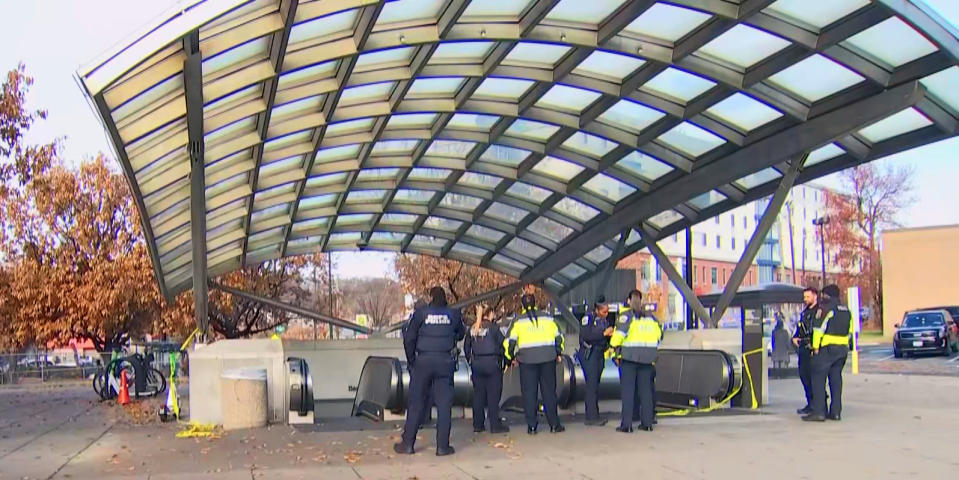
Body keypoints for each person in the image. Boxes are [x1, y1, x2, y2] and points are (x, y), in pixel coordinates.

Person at [394, 287, 465, 456]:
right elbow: (461, 334)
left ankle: (408, 444)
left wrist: (412, 361)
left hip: (423, 362)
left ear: (431, 298)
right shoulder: (453, 314)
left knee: (416, 403)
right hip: (445, 362)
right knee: (444, 405)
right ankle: (442, 447)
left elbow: (409, 338)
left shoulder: (421, 314)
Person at [504, 284, 565, 435]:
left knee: (529, 394)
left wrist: (510, 358)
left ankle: (532, 427)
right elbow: (559, 338)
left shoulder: (518, 321)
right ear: (536, 303)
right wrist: (557, 352)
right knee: (549, 393)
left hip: (527, 362)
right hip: (548, 359)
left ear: (522, 306)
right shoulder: (547, 318)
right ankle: (554, 425)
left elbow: (508, 343)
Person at [610, 290, 662, 433]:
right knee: (646, 392)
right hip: (647, 360)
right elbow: (659, 335)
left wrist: (612, 347)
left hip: (629, 359)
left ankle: (626, 425)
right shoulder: (651, 318)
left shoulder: (626, 317)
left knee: (628, 391)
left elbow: (618, 336)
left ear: (629, 300)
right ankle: (647, 423)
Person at [803, 284, 851, 423]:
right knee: (836, 380)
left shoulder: (824, 309)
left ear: (827, 295)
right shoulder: (846, 310)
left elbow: (818, 329)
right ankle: (836, 412)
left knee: (818, 379)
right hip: (842, 349)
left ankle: (819, 412)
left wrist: (815, 348)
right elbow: (851, 329)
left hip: (826, 349)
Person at [464, 304, 509, 434]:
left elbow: (467, 348)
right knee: (493, 396)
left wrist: (471, 361)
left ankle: (478, 425)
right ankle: (495, 425)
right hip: (492, 364)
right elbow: (504, 344)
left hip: (477, 364)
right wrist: (505, 361)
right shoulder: (494, 328)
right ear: (488, 314)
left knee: (478, 395)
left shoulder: (472, 329)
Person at [578, 296, 614, 426]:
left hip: (599, 353)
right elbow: (586, 335)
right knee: (591, 384)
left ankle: (594, 413)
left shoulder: (605, 320)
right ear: (597, 310)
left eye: (607, 311)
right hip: (589, 353)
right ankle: (591, 417)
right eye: (604, 311)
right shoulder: (588, 318)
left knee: (595, 384)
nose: (607, 314)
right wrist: (604, 334)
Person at [403, 298, 433, 428]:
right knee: (427, 392)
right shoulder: (426, 323)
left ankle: (416, 421)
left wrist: (411, 360)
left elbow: (408, 342)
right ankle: (425, 419)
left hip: (416, 361)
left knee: (416, 394)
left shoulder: (408, 324)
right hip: (425, 360)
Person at [793, 288, 819, 415]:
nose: (805, 300)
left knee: (813, 377)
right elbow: (801, 327)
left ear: (815, 296)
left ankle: (817, 404)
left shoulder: (819, 311)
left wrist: (815, 346)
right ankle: (810, 403)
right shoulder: (805, 312)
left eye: (808, 297)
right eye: (805, 297)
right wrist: (795, 336)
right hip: (803, 347)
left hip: (813, 348)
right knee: (804, 376)